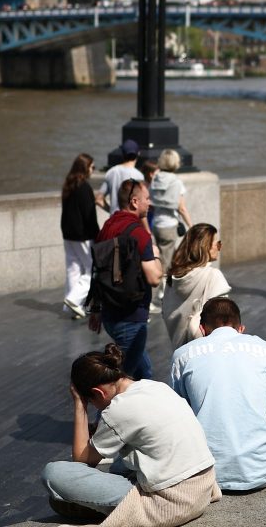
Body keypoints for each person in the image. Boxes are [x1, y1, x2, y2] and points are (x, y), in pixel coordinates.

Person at [43, 344, 220, 523]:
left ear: (98, 393)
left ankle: (108, 508)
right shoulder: (156, 387)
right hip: (202, 488)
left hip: (169, 501)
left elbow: (82, 458)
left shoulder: (118, 410)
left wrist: (79, 405)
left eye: (91, 401)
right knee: (117, 460)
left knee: (54, 472)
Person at [170, 298, 266, 493]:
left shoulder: (182, 355)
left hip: (206, 471)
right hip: (265, 468)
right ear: (241, 328)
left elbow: (181, 413)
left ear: (202, 329)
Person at [88, 178, 163, 381]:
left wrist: (95, 309)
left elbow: (97, 269)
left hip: (110, 315)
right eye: (147, 198)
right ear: (134, 202)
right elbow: (155, 278)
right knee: (122, 382)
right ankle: (104, 413)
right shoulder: (140, 235)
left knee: (143, 373)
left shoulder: (107, 227)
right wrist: (155, 253)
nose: (150, 203)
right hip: (131, 318)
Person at [162, 224, 231, 351]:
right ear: (206, 247)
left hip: (179, 350)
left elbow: (166, 312)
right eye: (218, 244)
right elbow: (223, 323)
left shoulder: (173, 277)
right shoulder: (213, 276)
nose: (220, 248)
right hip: (206, 352)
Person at [146, 149, 193, 311]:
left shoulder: (156, 178)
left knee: (157, 260)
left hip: (156, 224)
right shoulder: (176, 181)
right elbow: (181, 207)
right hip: (169, 226)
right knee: (163, 266)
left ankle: (160, 294)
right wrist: (191, 226)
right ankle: (150, 300)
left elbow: (150, 200)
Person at [60, 153, 100, 321]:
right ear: (85, 168)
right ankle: (73, 300)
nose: (93, 170)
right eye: (92, 167)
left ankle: (72, 307)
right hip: (83, 235)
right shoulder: (84, 188)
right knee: (93, 270)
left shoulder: (69, 185)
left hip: (68, 234)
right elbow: (89, 216)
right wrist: (97, 235)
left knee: (73, 268)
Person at [101, 140, 143, 215]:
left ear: (122, 154)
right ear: (138, 153)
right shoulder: (139, 176)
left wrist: (111, 211)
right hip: (131, 220)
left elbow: (99, 199)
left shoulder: (111, 172)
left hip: (115, 219)